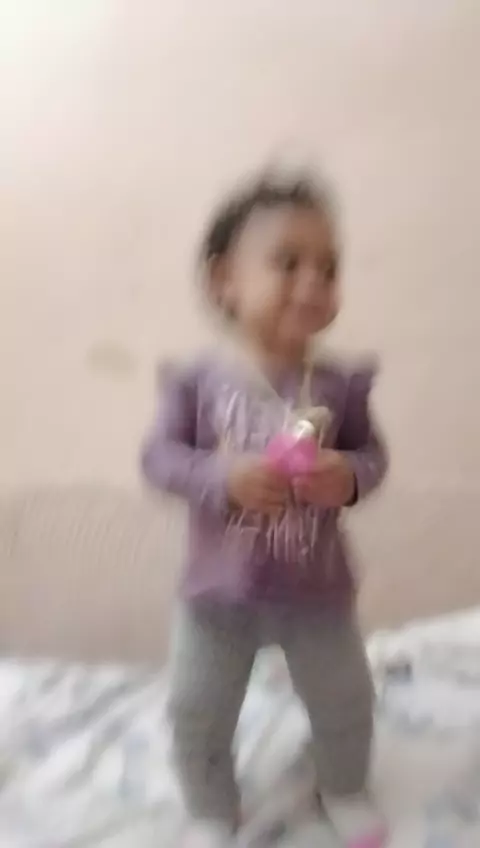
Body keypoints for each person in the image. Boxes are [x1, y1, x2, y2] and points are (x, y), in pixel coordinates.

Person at [141, 171, 389, 848]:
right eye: (288, 262)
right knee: (196, 708)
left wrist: (348, 477)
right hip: (216, 597)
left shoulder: (339, 385)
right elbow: (159, 459)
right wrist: (219, 476)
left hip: (318, 592)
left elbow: (373, 458)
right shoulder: (197, 381)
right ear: (225, 279)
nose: (313, 283)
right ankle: (211, 808)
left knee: (346, 699)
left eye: (328, 269)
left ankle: (344, 786)